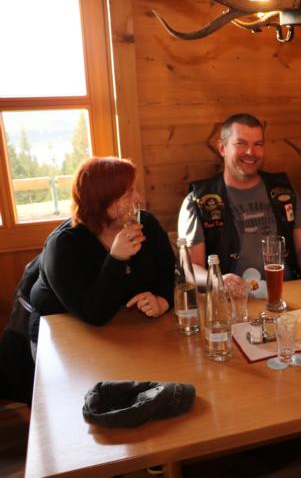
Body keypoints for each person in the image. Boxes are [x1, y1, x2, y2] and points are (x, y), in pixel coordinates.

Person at [0, 157, 175, 405]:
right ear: (103, 203)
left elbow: (169, 273)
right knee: (76, 403)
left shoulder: (146, 224)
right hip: (59, 333)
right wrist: (116, 258)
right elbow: (94, 313)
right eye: (128, 193)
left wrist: (161, 301)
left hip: (119, 329)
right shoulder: (64, 245)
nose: (139, 198)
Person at [178, 113, 301, 289]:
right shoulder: (198, 200)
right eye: (241, 143)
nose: (251, 152)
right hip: (234, 298)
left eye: (258, 144)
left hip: (287, 291)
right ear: (222, 148)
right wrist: (217, 280)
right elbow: (190, 268)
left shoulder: (284, 190)